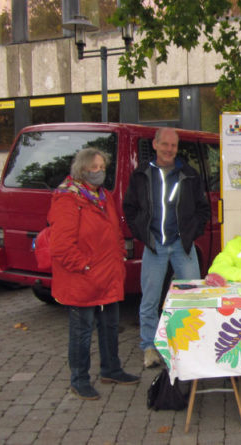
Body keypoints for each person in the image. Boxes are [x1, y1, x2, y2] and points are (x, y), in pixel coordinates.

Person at [48, 147, 139, 400]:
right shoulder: (67, 199)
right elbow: (61, 246)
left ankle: (111, 369)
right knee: (82, 331)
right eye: (94, 168)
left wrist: (119, 254)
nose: (99, 172)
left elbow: (114, 231)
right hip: (82, 279)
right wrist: (85, 266)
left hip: (107, 275)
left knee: (110, 325)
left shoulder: (103, 196)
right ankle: (79, 380)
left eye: (102, 167)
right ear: (82, 169)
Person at [123, 127, 211, 368]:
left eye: (173, 145)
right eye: (165, 145)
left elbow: (203, 209)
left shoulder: (189, 174)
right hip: (155, 247)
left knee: (193, 297)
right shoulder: (141, 174)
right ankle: (149, 347)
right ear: (155, 145)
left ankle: (192, 342)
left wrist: (191, 233)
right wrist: (142, 234)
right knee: (149, 299)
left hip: (182, 247)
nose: (169, 149)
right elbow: (129, 208)